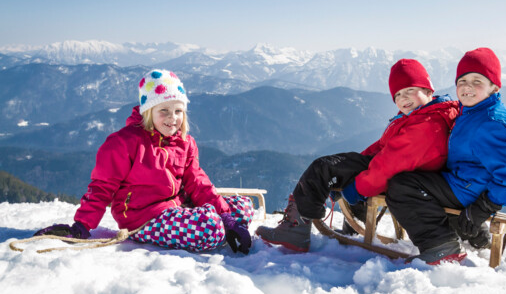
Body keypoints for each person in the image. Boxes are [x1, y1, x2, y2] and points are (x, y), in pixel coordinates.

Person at [34, 69, 253, 254]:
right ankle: (214, 225)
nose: (172, 118)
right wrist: (81, 225)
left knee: (242, 208)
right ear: (148, 111)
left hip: (176, 207)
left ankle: (221, 221)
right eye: (164, 111)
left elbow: (197, 181)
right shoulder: (123, 143)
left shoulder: (185, 143)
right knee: (210, 228)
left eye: (178, 111)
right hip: (143, 218)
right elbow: (101, 188)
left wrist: (227, 217)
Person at [256, 59, 459, 252]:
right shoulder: (422, 116)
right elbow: (382, 147)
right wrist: (348, 171)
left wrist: (356, 188)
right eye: (397, 95)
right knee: (337, 167)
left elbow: (389, 165)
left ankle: (296, 228)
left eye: (410, 91)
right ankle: (352, 227)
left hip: (403, 177)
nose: (403, 98)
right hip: (403, 171)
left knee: (322, 168)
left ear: (428, 90)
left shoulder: (426, 125)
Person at [385, 47, 506, 265]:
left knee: (402, 186)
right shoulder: (473, 111)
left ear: (494, 86)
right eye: (462, 81)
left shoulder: (491, 123)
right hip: (465, 182)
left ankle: (440, 246)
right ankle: (471, 235)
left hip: (470, 189)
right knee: (416, 177)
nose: (467, 87)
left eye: (477, 81)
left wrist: (485, 207)